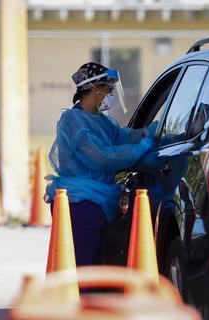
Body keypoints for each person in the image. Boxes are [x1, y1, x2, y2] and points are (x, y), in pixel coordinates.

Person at [45, 62, 157, 266]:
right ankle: (84, 299)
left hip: (93, 200)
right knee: (84, 266)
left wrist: (146, 134)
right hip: (79, 202)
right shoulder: (73, 120)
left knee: (94, 264)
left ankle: (89, 298)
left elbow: (120, 136)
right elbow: (101, 156)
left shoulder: (98, 119)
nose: (110, 92)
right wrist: (142, 147)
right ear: (95, 88)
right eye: (107, 87)